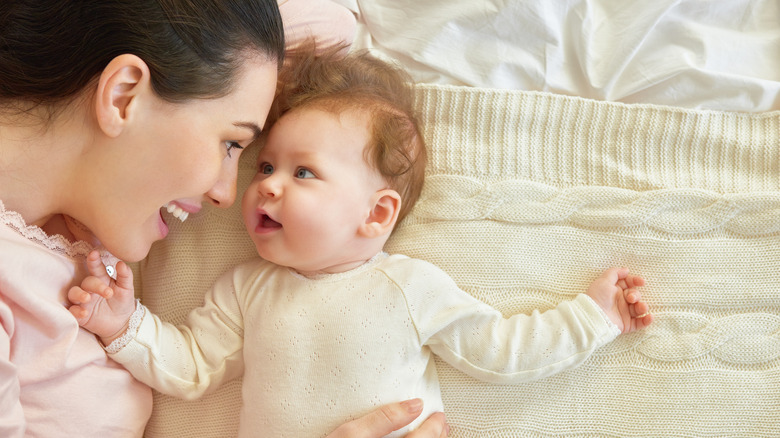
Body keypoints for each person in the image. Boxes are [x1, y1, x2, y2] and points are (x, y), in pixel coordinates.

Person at [68, 46, 654, 437]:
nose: (266, 185)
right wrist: (124, 325)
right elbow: (190, 365)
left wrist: (594, 315)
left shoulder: (408, 287)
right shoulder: (245, 289)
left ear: (375, 214)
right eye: (265, 166)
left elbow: (501, 349)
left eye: (302, 173)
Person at [0, 0, 447, 436]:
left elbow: (332, 27)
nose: (227, 194)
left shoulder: (74, 215)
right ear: (122, 97)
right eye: (232, 144)